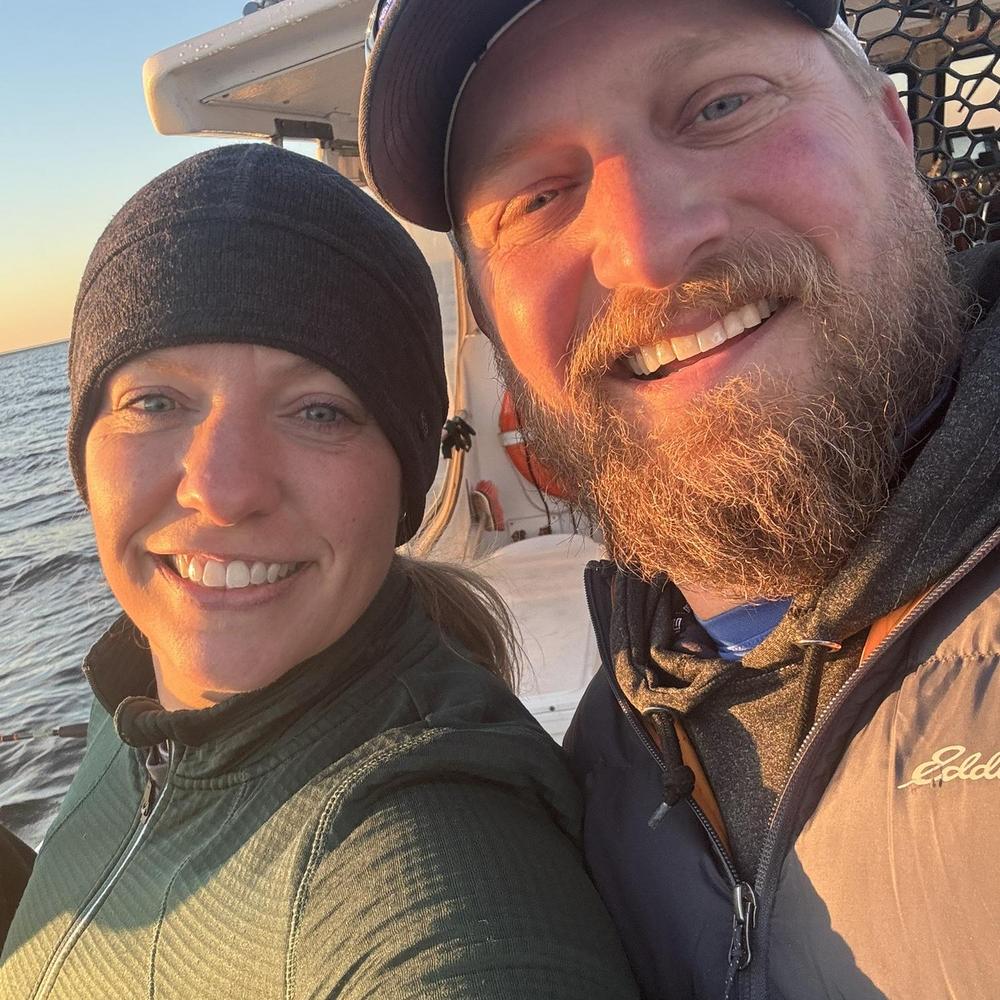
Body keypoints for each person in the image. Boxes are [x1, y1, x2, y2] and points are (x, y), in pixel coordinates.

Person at [359, 2, 1000, 997]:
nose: (648, 248)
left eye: (720, 106)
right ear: (488, 317)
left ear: (889, 126)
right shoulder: (605, 760)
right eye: (537, 197)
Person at [0, 143, 639, 999]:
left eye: (318, 412)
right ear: (85, 451)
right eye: (154, 401)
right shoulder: (131, 691)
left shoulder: (435, 843)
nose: (223, 490)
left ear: (405, 478)